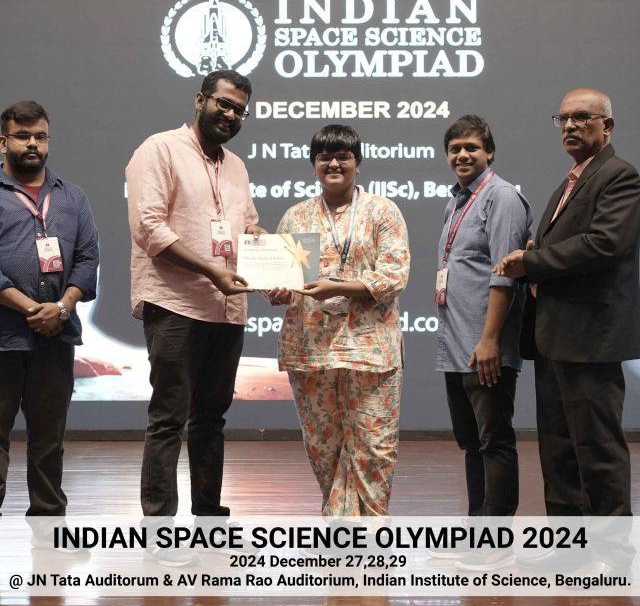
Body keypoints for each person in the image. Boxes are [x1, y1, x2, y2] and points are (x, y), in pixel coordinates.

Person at [126, 70, 265, 530]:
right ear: (200, 100)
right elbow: (149, 228)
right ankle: (159, 528)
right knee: (169, 418)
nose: (230, 115)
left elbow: (246, 226)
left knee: (212, 418)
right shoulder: (159, 149)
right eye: (223, 104)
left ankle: (209, 518)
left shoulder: (237, 166)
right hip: (176, 304)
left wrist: (271, 251)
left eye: (239, 110)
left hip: (227, 309)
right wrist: (211, 271)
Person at [496, 89, 640, 526]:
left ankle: (610, 548)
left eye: (582, 117)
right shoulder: (571, 181)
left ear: (607, 126)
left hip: (590, 337)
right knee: (558, 447)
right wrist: (534, 252)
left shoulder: (619, 175)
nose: (570, 126)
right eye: (564, 119)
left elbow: (605, 243)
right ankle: (567, 543)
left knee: (597, 448)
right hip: (555, 335)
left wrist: (532, 262)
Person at [268, 124, 410, 516]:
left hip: (370, 351)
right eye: (324, 157)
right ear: (314, 164)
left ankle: (371, 529)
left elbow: (394, 277)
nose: (333, 164)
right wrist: (275, 290)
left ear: (357, 164)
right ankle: (341, 529)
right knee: (323, 446)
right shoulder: (296, 217)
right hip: (311, 351)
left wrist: (340, 287)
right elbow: (284, 282)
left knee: (375, 447)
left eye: (343, 156)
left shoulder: (383, 211)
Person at [433, 115, 532, 568]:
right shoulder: (455, 203)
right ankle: (477, 531)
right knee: (471, 444)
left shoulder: (502, 197)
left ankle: (497, 543)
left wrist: (490, 340)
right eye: (455, 148)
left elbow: (504, 275)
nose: (462, 155)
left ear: (489, 151)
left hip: (485, 347)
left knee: (495, 441)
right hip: (456, 347)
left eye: (471, 147)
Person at [0, 100, 99, 517]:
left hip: (56, 338)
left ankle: (49, 525)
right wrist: (32, 310)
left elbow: (88, 259)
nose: (32, 144)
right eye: (22, 136)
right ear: (3, 142)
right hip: (3, 340)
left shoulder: (71, 197)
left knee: (48, 441)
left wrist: (60, 307)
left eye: (40, 136)